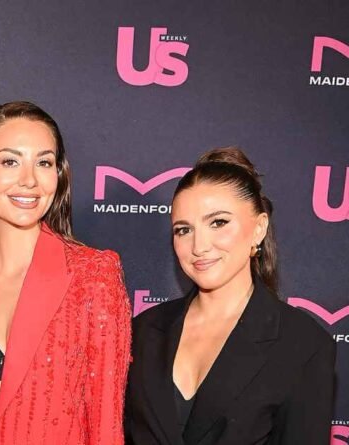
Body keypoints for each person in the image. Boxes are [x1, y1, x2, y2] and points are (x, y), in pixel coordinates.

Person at [0, 101, 132, 444]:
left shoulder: (93, 276)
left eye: (44, 162)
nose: (29, 180)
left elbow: (106, 426)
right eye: (10, 161)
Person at [126, 147, 336, 445]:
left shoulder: (303, 344)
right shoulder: (142, 331)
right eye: (184, 230)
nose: (199, 246)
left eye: (218, 223)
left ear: (259, 229)